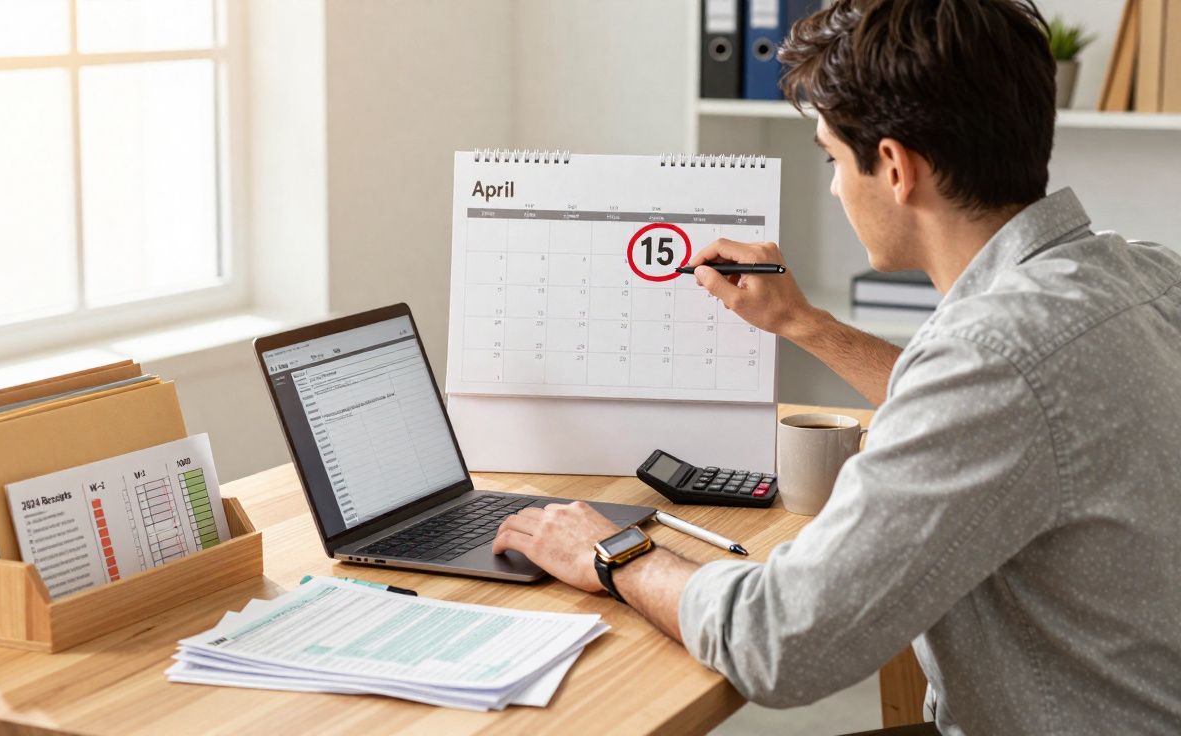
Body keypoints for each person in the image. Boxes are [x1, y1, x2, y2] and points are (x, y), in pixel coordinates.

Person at [490, 1, 1181, 733]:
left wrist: (613, 553)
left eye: (831, 158)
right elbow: (996, 407)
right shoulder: (1143, 275)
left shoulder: (993, 360)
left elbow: (779, 643)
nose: (832, 186)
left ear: (895, 168)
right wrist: (801, 322)